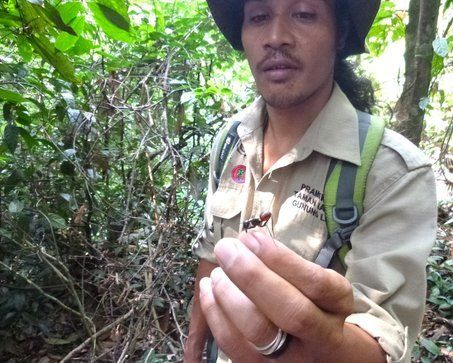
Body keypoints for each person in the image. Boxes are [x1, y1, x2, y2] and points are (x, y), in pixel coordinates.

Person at [184, 0, 437, 362]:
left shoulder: (392, 172)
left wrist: (312, 343)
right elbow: (212, 252)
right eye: (258, 17)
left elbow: (384, 336)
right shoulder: (231, 141)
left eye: (303, 14)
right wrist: (194, 347)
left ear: (340, 33)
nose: (276, 37)